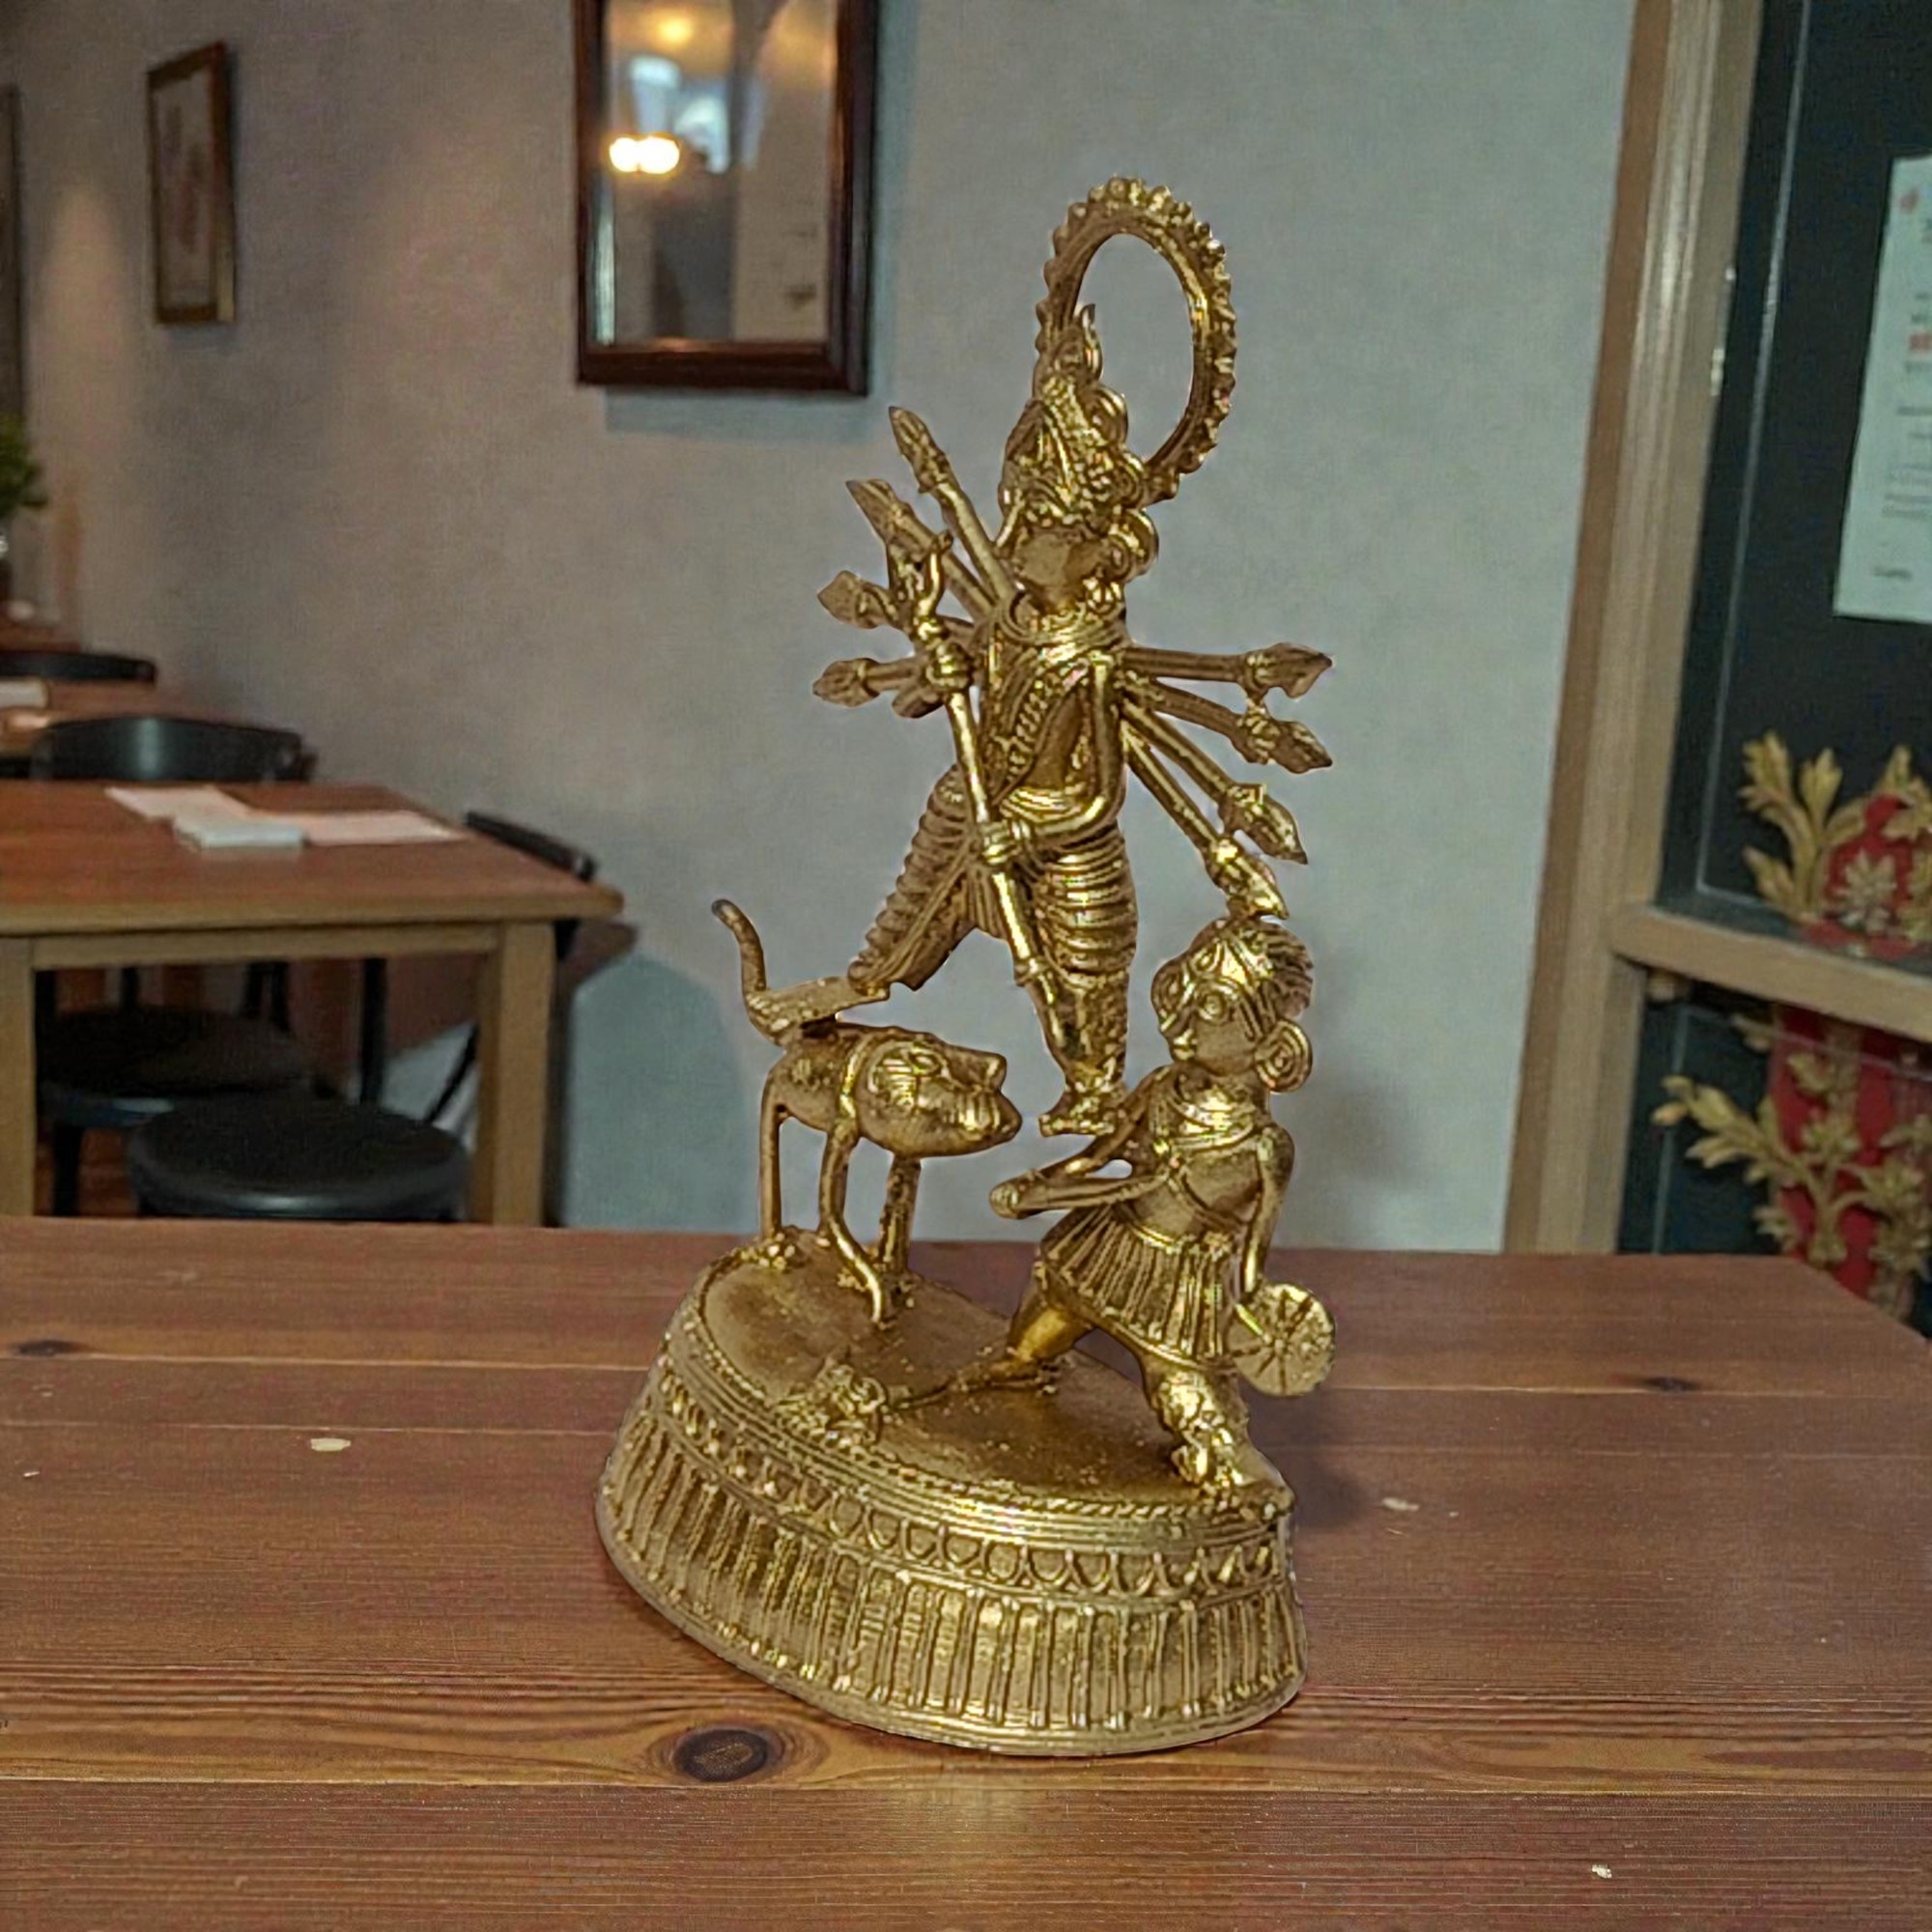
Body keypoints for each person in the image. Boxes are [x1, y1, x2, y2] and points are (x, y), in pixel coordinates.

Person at [984, 911, 1320, 1500]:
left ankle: (1238, 1476)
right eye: (1178, 989)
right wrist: (1039, 1189)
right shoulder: (1163, 1089)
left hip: (1179, 1291)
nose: (1178, 1020)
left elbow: (1251, 1261)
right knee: (1025, 1348)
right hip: (1104, 1247)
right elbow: (1097, 1159)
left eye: (1211, 1007)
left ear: (1274, 1045)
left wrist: (1258, 1323)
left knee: (1192, 1406)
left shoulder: (1264, 1148)